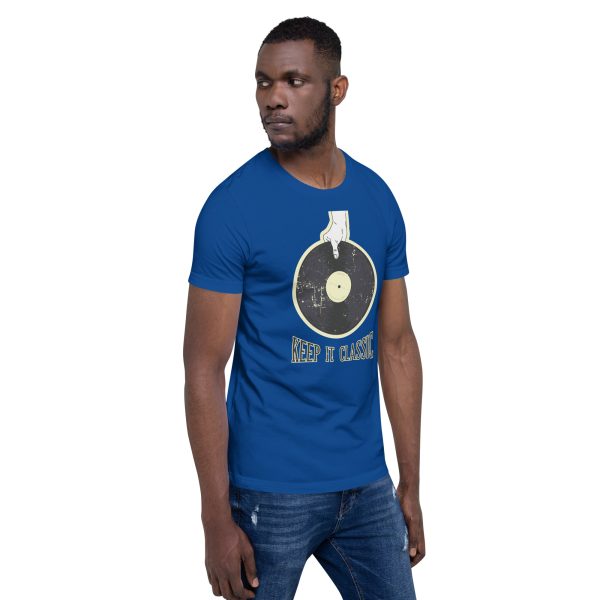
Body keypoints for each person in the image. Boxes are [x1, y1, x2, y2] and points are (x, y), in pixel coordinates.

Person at [183, 16, 425, 600]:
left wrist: (410, 484)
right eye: (263, 82)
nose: (274, 98)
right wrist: (215, 518)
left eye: (294, 81)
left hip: (366, 484)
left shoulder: (376, 199)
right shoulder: (232, 207)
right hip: (268, 491)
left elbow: (396, 346)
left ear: (337, 90)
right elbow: (203, 367)